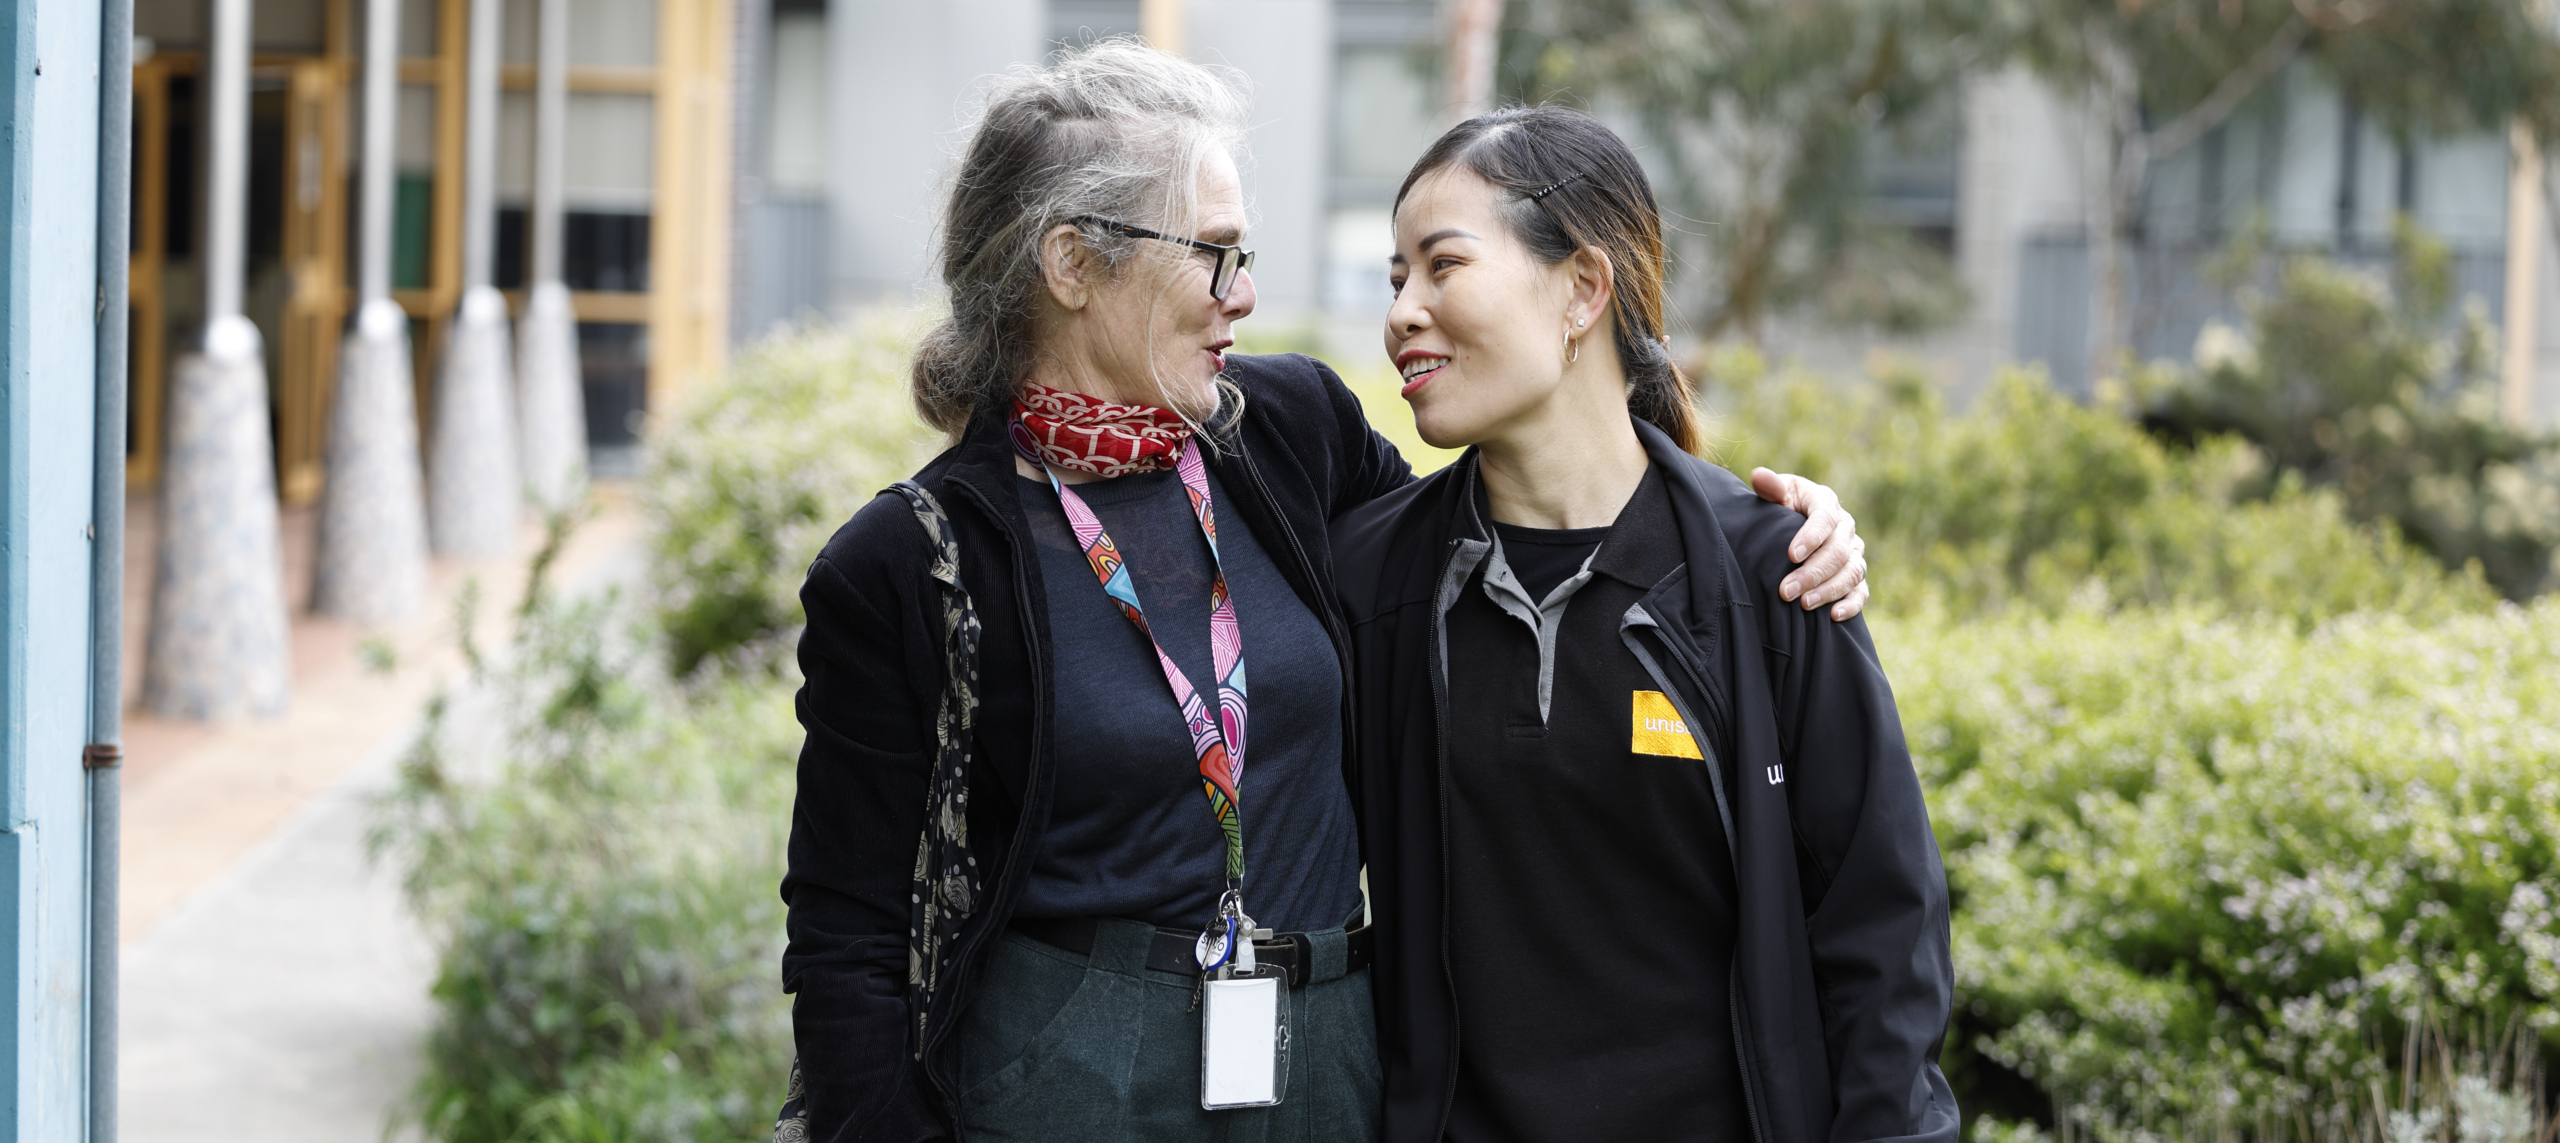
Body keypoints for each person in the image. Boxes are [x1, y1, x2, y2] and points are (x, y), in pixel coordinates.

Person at [777, 44, 1871, 1143]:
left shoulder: (1292, 433)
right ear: (1072, 263)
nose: (1245, 294)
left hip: (1329, 1063)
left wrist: (1747, 524)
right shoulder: (909, 564)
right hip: (1074, 1082)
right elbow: (846, 940)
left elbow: (1506, 537)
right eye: (1214, 254)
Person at [1332, 105, 1958, 1143]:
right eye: (1398, 279)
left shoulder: (1772, 576)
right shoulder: (1371, 581)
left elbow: (1882, 932)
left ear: (1583, 288)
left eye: (1442, 266)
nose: (1402, 312)